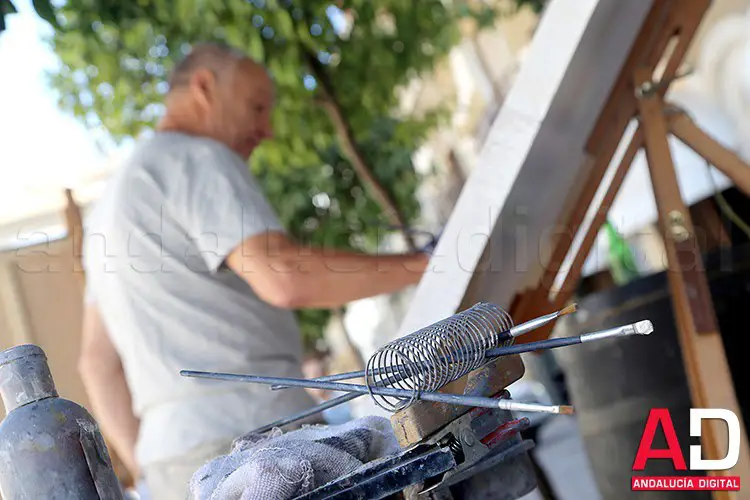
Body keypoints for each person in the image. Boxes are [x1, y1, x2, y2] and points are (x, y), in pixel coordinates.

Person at [78, 42, 429, 500]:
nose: (265, 131)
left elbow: (96, 364)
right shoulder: (195, 158)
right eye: (257, 107)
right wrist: (423, 266)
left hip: (173, 466)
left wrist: (151, 469)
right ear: (204, 87)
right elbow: (283, 276)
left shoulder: (107, 209)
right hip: (258, 443)